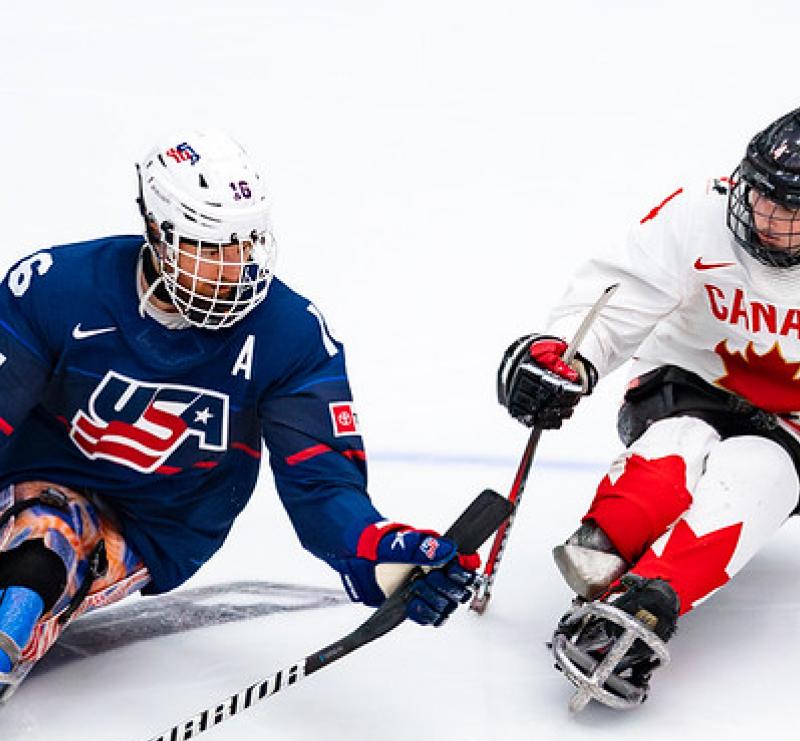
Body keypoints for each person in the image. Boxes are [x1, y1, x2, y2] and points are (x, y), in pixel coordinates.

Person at [0, 129, 479, 702]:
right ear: (158, 233)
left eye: (246, 243)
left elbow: (321, 484)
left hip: (152, 523)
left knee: (40, 550)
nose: (236, 266)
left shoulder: (292, 335)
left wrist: (378, 551)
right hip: (22, 475)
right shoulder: (55, 287)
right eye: (211, 246)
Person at [497, 106, 800, 710]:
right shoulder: (698, 215)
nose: (765, 217)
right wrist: (567, 357)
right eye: (762, 194)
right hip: (683, 386)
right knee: (676, 447)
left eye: (790, 208)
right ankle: (610, 540)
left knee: (753, 474)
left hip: (792, 429)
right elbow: (623, 289)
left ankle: (651, 601)